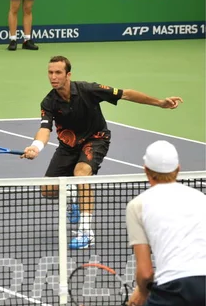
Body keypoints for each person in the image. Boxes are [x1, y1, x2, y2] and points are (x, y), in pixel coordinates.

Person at [20, 55, 183, 249]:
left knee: (80, 174)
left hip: (95, 139)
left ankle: (86, 232)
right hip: (68, 146)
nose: (53, 77)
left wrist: (160, 103)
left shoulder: (88, 90)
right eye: (50, 72)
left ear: (68, 74)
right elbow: (45, 129)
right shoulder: (49, 102)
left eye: (58, 72)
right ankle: (72, 194)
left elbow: (126, 94)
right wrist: (36, 146)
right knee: (47, 190)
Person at [125, 140, 206, 306]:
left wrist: (143, 293)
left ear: (146, 170)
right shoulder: (201, 198)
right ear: (178, 169)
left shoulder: (137, 206)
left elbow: (146, 273)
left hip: (175, 289)